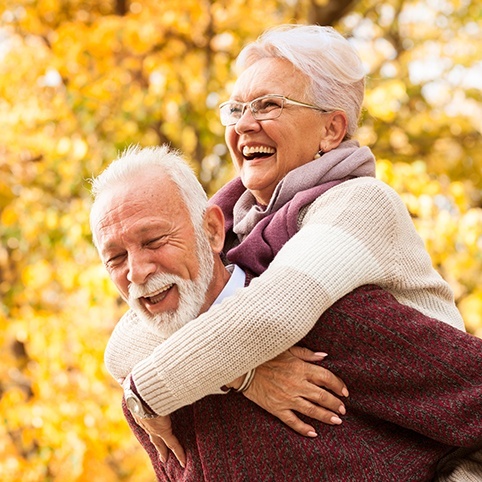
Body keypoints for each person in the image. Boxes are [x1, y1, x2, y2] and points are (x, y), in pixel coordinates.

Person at [91, 145, 482, 481]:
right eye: (115, 258)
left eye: (155, 240)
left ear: (212, 231)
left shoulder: (335, 320)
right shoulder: (144, 395)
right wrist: (242, 374)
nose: (137, 271)